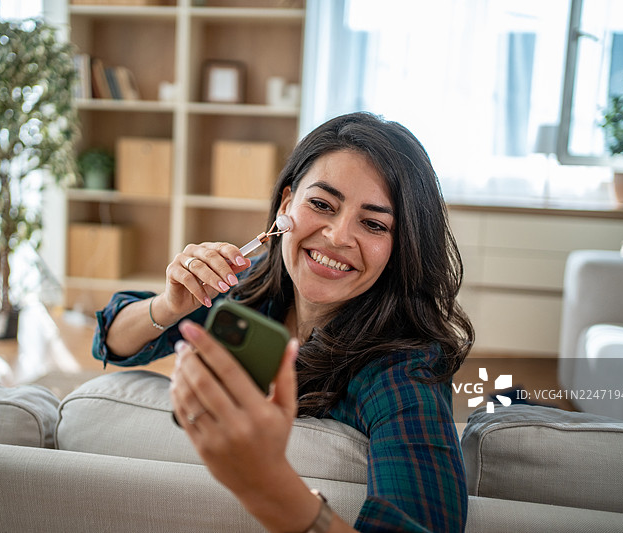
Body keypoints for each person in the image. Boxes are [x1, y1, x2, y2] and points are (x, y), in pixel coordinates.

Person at [92, 112, 474, 532]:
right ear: (286, 205)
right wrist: (168, 305)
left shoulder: (404, 371)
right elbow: (111, 340)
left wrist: (265, 483)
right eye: (322, 204)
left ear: (401, 247)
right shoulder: (253, 285)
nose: (337, 236)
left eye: (373, 223)